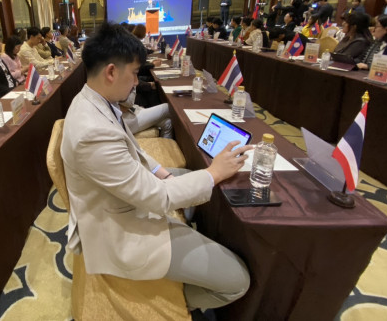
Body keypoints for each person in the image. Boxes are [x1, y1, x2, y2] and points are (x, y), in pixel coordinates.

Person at [61, 23, 250, 311]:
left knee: (187, 177)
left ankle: (192, 249)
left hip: (122, 202)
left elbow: (131, 148)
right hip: (119, 231)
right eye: (134, 74)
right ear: (111, 72)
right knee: (238, 280)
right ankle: (173, 305)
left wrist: (163, 172)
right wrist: (214, 173)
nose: (136, 83)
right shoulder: (92, 132)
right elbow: (157, 197)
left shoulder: (94, 99)